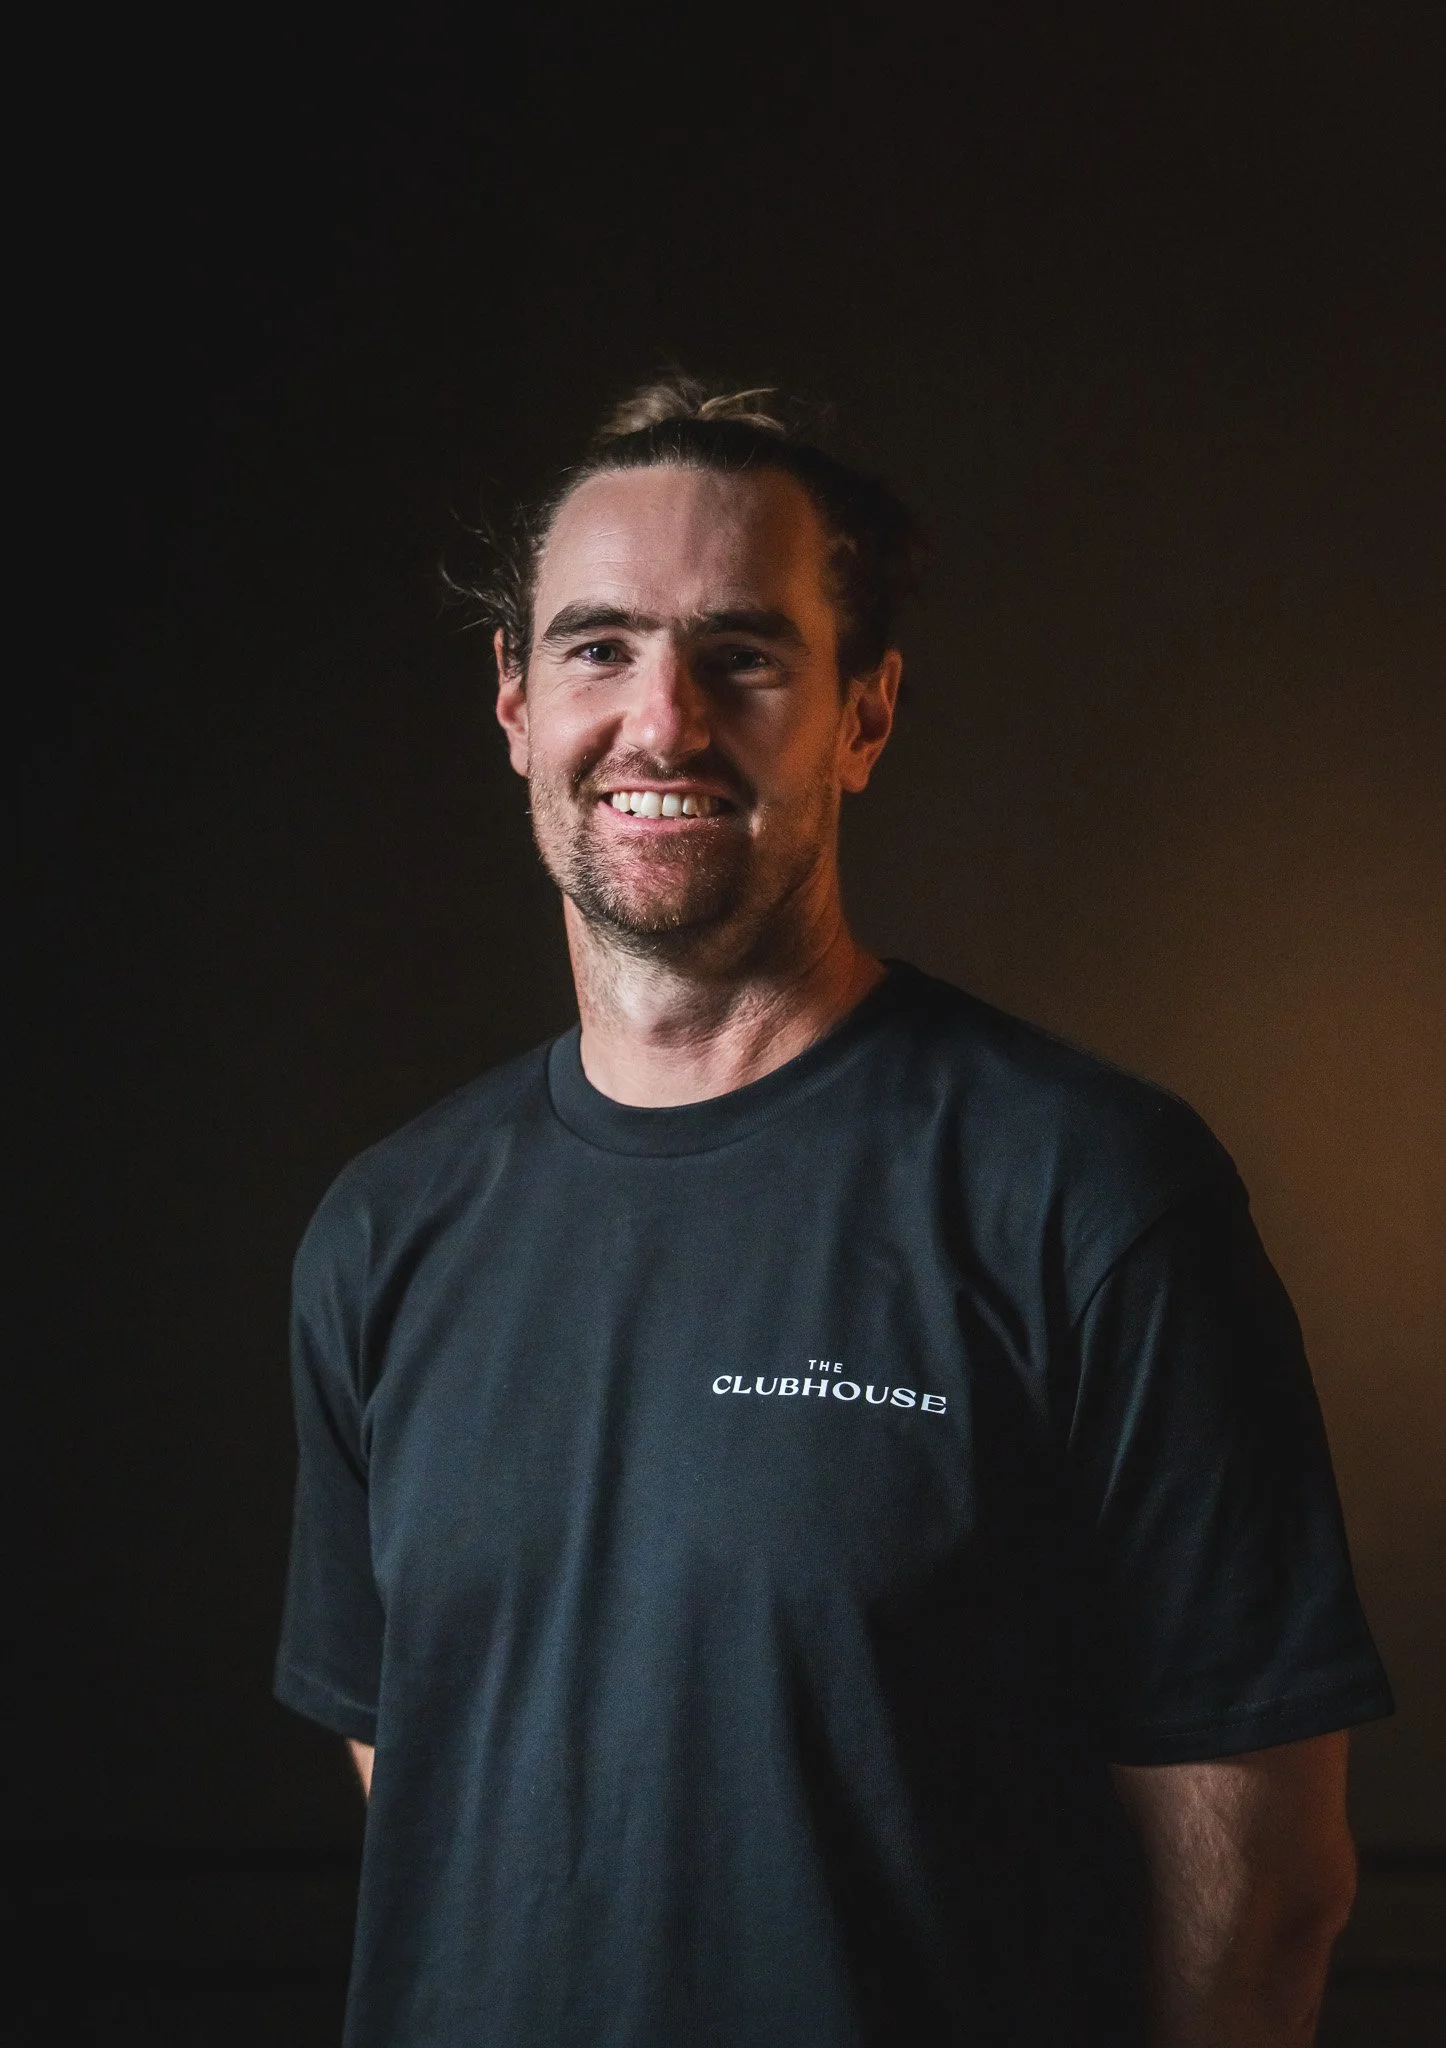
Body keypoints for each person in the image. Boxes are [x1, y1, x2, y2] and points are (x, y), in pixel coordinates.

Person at [275, 376, 1392, 2046]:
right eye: (597, 648)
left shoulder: (1088, 1194)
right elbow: (426, 1774)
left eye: (741, 656)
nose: (660, 722)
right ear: (513, 702)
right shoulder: (385, 1227)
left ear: (864, 715)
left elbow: (1265, 1892)